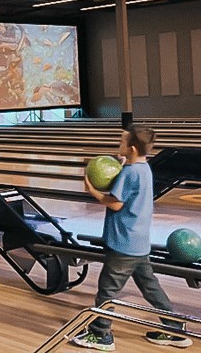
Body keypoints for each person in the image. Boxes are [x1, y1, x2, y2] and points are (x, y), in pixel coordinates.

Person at [71, 126, 193, 351]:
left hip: (123, 243)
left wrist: (93, 191)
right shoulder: (144, 168)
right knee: (150, 287)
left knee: (107, 289)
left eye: (122, 143)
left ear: (133, 148)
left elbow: (116, 203)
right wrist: (125, 162)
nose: (119, 146)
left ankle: (101, 335)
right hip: (139, 241)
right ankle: (175, 330)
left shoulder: (128, 173)